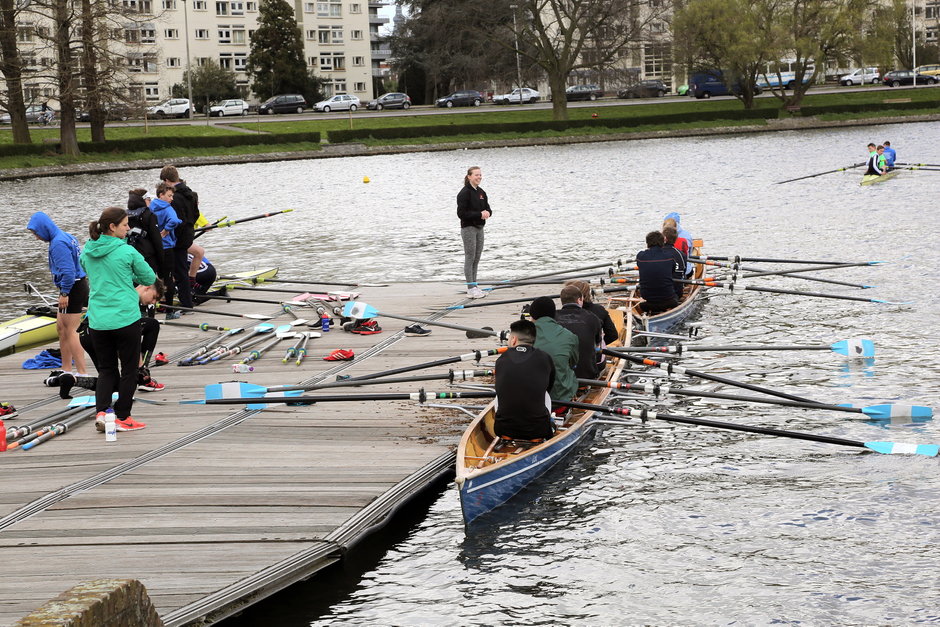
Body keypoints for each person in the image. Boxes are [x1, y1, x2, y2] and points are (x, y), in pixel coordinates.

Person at [80, 206, 157, 433]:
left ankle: (102, 412)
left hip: (98, 320)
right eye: (125, 225)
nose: (128, 228)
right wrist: (129, 275)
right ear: (112, 227)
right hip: (125, 318)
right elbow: (149, 277)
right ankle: (123, 415)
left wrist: (121, 274)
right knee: (129, 370)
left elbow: (88, 269)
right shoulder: (127, 252)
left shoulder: (87, 251)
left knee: (106, 370)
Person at [52, 282, 167, 399]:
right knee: (152, 325)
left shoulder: (121, 288)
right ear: (147, 288)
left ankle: (72, 380)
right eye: (154, 297)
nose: (154, 302)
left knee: (110, 381)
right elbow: (131, 336)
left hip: (85, 333)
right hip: (99, 332)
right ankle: (143, 375)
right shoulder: (129, 299)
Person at [27, 211, 89, 377]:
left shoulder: (58, 244)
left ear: (43, 228)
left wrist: (64, 293)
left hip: (73, 287)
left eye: (36, 233)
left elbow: (68, 272)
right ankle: (66, 369)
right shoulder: (64, 235)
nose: (36, 237)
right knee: (61, 328)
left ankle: (82, 372)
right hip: (74, 286)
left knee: (71, 331)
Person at [494, 319, 556, 441]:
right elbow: (549, 386)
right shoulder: (545, 357)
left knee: (499, 395)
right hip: (539, 430)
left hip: (502, 430)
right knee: (545, 394)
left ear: (513, 340)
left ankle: (508, 435)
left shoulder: (501, 359)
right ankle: (541, 430)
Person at [160, 165, 199, 310]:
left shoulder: (173, 197)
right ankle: (186, 299)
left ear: (166, 180)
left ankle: (185, 303)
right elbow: (196, 214)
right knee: (181, 269)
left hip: (176, 238)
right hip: (188, 234)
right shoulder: (191, 193)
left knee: (178, 271)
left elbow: (174, 219)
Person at [529, 296, 579, 402]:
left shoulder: (521, 336)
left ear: (532, 316)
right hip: (559, 399)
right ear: (554, 314)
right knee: (570, 371)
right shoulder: (570, 336)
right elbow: (573, 363)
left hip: (528, 400)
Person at [456, 166, 491, 299]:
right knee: (470, 257)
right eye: (476, 175)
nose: (479, 177)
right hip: (468, 228)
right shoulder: (464, 193)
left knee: (477, 257)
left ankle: (475, 286)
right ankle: (470, 288)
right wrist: (479, 214)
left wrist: (488, 213)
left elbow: (488, 208)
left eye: (480, 175)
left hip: (480, 228)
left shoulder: (481, 192)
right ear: (469, 176)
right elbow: (461, 214)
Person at [555, 284, 603, 381]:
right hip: (587, 375)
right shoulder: (593, 318)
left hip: (558, 377)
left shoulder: (552, 317)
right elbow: (598, 347)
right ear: (579, 299)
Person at [149, 182, 182, 318]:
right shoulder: (168, 208)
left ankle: (150, 310)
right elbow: (174, 220)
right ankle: (169, 311)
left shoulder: (151, 206)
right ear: (161, 195)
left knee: (154, 278)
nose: (171, 199)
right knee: (168, 278)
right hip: (167, 247)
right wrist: (167, 229)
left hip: (153, 247)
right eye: (169, 196)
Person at [636, 231, 679, 314]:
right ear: (662, 242)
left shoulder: (640, 256)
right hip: (668, 301)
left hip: (646, 303)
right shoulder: (669, 256)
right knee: (676, 294)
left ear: (647, 243)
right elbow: (672, 272)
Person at [126, 188, 166, 278]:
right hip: (147, 256)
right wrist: (161, 262)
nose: (150, 202)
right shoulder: (149, 215)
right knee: (148, 284)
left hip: (130, 255)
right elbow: (157, 241)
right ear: (143, 200)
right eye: (148, 200)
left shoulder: (124, 215)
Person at [565, 279, 618, 346]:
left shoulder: (561, 313)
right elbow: (613, 335)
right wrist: (598, 345)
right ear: (588, 293)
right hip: (593, 352)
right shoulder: (599, 310)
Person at [663, 212, 694, 276]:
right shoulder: (686, 236)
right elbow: (688, 254)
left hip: (666, 272)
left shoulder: (660, 239)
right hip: (683, 270)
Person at [662, 226, 687, 301]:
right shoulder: (681, 254)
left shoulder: (657, 252)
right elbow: (683, 272)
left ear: (664, 239)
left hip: (658, 290)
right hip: (676, 292)